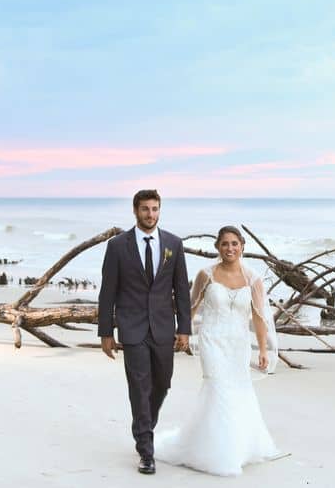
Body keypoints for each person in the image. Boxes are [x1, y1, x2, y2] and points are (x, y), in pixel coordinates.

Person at [155, 225, 280, 476]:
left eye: (234, 243)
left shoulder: (253, 279)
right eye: (225, 244)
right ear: (217, 247)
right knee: (217, 388)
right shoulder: (206, 275)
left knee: (238, 390)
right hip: (211, 340)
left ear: (242, 246)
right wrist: (182, 333)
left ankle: (239, 446)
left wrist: (263, 350)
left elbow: (258, 318)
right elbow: (190, 308)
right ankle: (221, 455)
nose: (230, 248)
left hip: (238, 344)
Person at [97, 189, 191, 475]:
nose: (150, 214)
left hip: (163, 327)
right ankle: (146, 450)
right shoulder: (117, 246)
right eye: (145, 209)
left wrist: (184, 328)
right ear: (135, 211)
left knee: (162, 383)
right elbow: (108, 291)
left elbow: (181, 290)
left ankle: (144, 425)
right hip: (132, 328)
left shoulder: (173, 244)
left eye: (155, 209)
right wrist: (106, 332)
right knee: (139, 386)